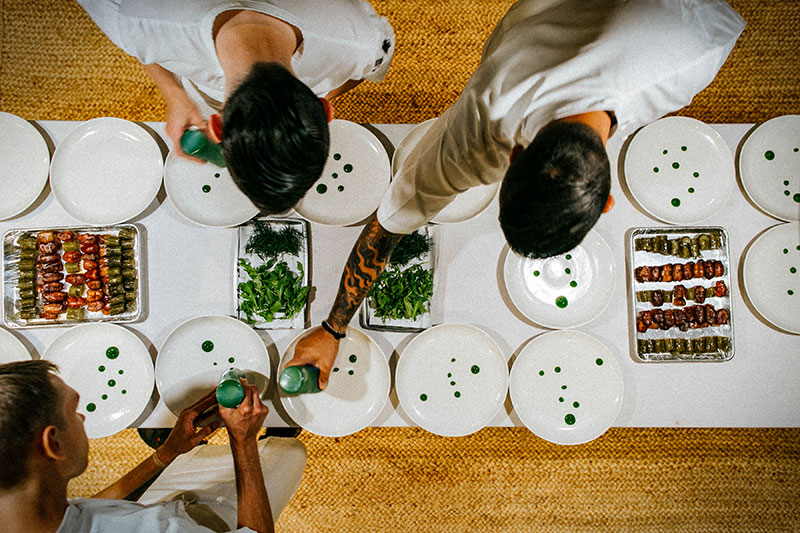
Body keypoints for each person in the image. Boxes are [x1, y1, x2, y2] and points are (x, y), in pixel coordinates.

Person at [285, 0, 746, 387]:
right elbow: (386, 225)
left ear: (514, 156)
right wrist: (331, 328)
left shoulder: (695, 42)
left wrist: (334, 328)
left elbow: (388, 228)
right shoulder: (480, 128)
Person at [77, 0, 394, 214]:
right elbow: (145, 46)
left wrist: (175, 94)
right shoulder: (133, 15)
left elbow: (370, 66)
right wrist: (173, 93)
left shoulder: (363, 43)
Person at [0, 360, 306, 532]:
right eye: (72, 409)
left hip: (154, 508)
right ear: (53, 443)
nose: (81, 417)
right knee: (289, 454)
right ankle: (275, 438)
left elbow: (82, 509)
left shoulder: (29, 512)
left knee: (200, 461)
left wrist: (166, 454)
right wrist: (243, 443)